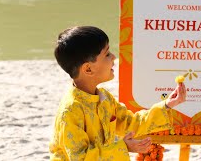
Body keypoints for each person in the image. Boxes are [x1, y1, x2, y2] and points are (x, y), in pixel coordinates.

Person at [49, 26, 186, 160]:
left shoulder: (104, 98)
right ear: (88, 69)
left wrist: (167, 105)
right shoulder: (71, 111)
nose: (114, 57)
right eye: (107, 54)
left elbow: (130, 123)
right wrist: (123, 147)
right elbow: (80, 157)